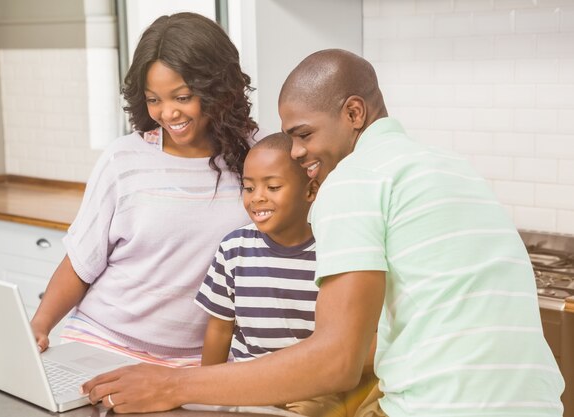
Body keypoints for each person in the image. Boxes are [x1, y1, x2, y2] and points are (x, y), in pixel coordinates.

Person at [82, 49, 565, 417]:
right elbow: (412, 335)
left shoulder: (355, 179)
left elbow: (335, 359)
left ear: (354, 114)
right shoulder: (451, 166)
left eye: (304, 134)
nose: (295, 152)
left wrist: (172, 385)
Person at [30, 12, 259, 367]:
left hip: (202, 362)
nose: (168, 113)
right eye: (154, 100)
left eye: (182, 97)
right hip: (104, 345)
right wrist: (39, 326)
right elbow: (81, 262)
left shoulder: (254, 158)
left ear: (216, 89)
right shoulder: (124, 159)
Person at [195, 132, 346, 417]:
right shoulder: (233, 248)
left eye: (273, 187)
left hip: (310, 388)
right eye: (249, 188)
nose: (257, 198)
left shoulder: (333, 252)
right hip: (246, 382)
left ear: (311, 191)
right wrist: (205, 390)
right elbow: (219, 328)